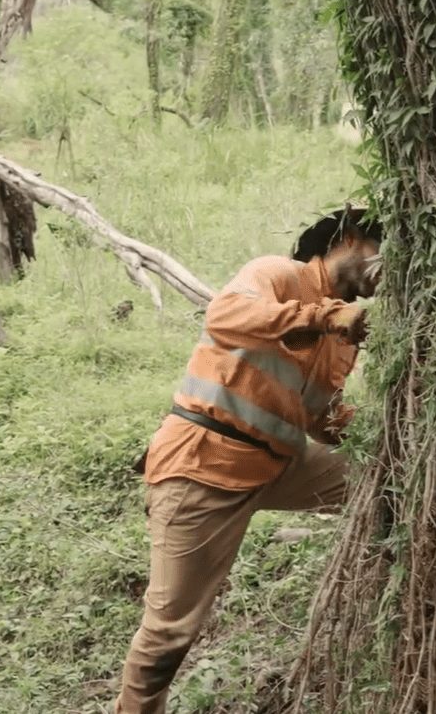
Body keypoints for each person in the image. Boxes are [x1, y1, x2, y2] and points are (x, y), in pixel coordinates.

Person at [113, 207, 383, 713]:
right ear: (346, 238)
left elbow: (319, 419)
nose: (385, 267)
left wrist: (375, 430)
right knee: (170, 632)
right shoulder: (277, 275)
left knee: (382, 480)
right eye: (377, 249)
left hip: (277, 466)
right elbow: (224, 315)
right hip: (202, 469)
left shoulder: (344, 336)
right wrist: (323, 316)